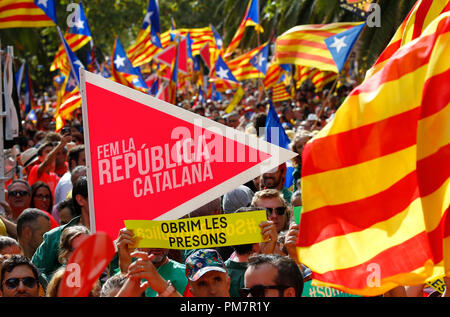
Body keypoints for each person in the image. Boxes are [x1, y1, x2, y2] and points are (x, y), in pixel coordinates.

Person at [32, 176, 89, 284]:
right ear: (80, 200)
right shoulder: (55, 237)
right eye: (100, 195)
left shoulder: (117, 234)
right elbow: (33, 274)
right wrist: (59, 283)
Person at [115, 228, 188, 297]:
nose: (157, 245)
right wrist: (125, 265)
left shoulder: (187, 275)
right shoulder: (119, 276)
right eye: (149, 238)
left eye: (162, 237)